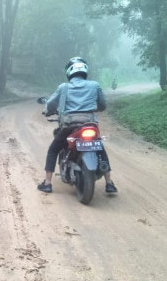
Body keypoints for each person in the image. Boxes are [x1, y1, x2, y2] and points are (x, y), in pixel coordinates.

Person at [37, 56, 118, 194]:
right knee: (100, 149)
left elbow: (51, 104)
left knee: (53, 150)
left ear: (69, 71)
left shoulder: (64, 87)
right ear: (85, 70)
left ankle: (47, 183)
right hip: (90, 124)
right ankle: (109, 183)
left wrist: (47, 111)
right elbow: (103, 105)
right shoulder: (94, 85)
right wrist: (95, 108)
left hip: (69, 126)